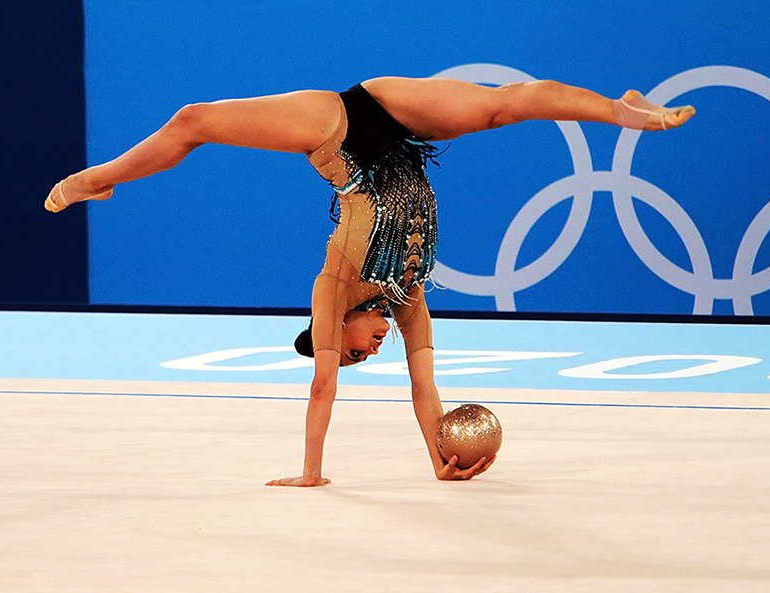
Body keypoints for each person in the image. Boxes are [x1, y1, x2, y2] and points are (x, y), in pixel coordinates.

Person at [44, 76, 695, 486]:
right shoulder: (406, 298)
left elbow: (322, 386)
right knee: (505, 109)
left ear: (333, 330)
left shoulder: (331, 291)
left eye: (357, 349)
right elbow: (425, 387)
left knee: (194, 117)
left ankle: (96, 178)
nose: (368, 349)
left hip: (344, 127)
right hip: (393, 138)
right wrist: (442, 455)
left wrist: (310, 474)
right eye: (366, 355)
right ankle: (622, 111)